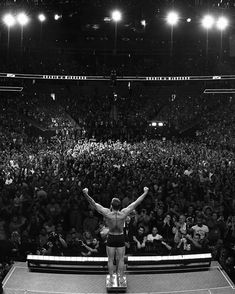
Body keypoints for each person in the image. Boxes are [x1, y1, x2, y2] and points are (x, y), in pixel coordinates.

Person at [82, 186, 149, 285]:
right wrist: (145, 192)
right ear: (120, 206)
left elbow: (93, 203)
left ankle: (112, 277)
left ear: (111, 205)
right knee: (121, 259)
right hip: (120, 237)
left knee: (110, 259)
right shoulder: (124, 213)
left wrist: (85, 193)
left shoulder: (107, 213)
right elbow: (137, 202)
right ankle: (121, 278)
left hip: (112, 237)